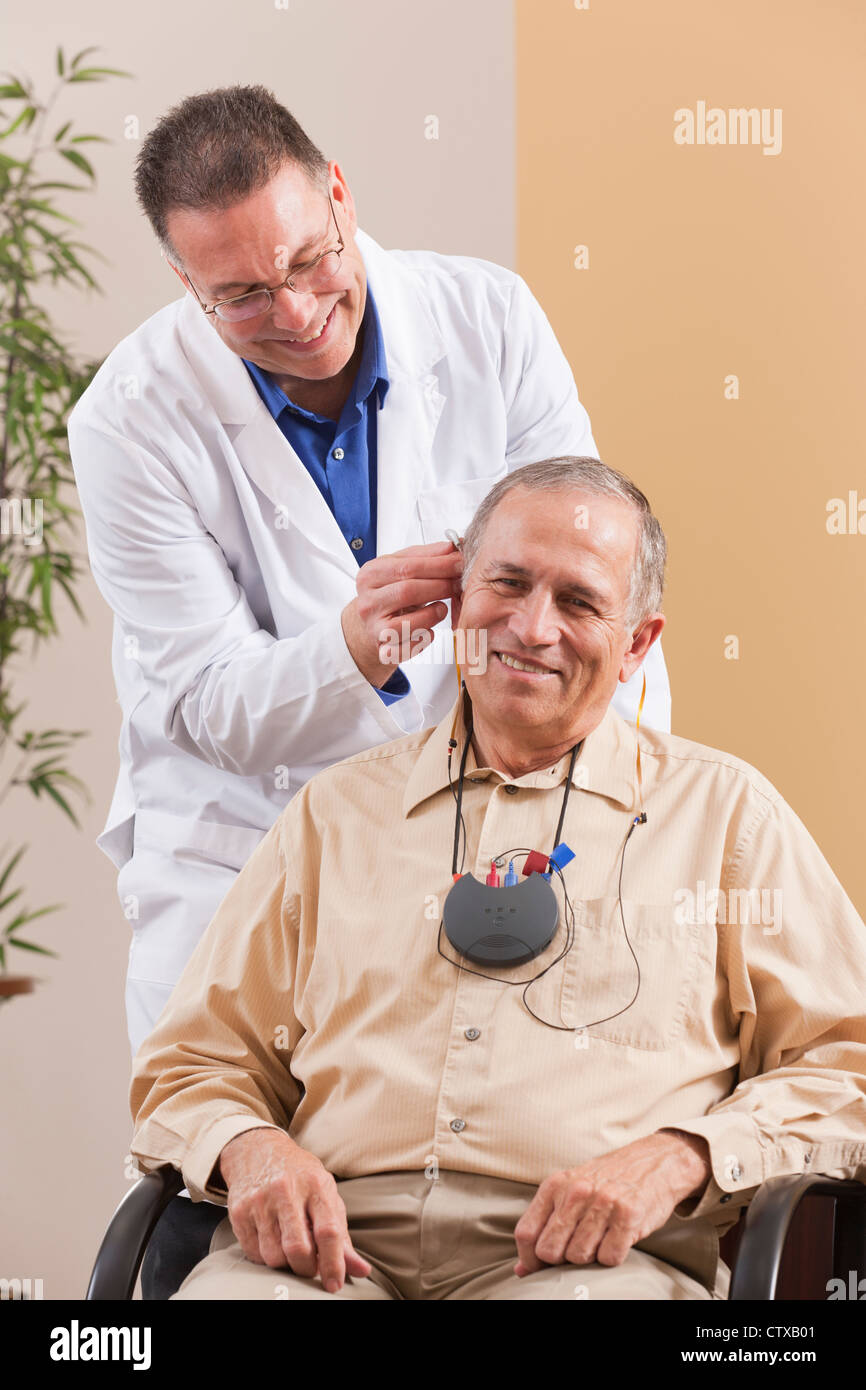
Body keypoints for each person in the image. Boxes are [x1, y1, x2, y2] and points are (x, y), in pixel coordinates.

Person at [129, 456, 866, 1301]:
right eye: (506, 584)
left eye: (580, 600)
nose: (532, 626)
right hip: (324, 1256)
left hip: (585, 1265)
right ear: (459, 604)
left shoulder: (729, 817)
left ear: (637, 645)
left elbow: (850, 1064)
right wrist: (251, 1148)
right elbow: (192, 1061)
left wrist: (685, 1154)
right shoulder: (332, 814)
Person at [67, 84, 670, 1059]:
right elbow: (204, 703)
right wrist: (348, 652)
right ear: (185, 281)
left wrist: (594, 813)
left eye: (310, 260)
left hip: (484, 814)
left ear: (339, 195)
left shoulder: (486, 320)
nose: (299, 313)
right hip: (244, 838)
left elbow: (595, 571)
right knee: (225, 1160)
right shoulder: (128, 421)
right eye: (243, 296)